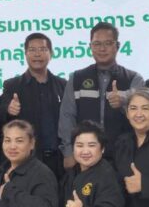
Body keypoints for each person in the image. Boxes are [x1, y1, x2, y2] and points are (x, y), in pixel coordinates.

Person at [58, 22, 143, 171]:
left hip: (124, 156)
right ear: (90, 47)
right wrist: (69, 151)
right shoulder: (76, 78)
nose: (102, 49)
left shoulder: (134, 79)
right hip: (85, 157)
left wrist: (124, 102)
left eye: (108, 43)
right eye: (97, 44)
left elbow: (143, 117)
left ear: (117, 46)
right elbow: (67, 116)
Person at [0, 32, 66, 179]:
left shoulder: (63, 85)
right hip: (27, 161)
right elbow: (0, 114)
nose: (37, 54)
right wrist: (9, 110)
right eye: (32, 50)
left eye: (42, 49)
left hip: (59, 160)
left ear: (51, 53)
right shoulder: (12, 86)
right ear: (25, 54)